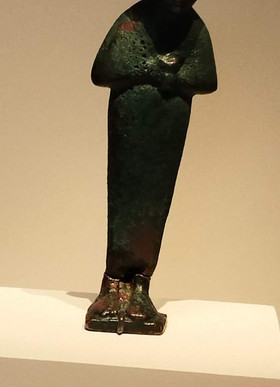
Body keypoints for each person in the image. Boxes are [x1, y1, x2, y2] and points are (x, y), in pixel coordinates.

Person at [86, 0, 217, 335]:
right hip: (131, 120)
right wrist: (153, 71)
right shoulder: (132, 22)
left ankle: (140, 285)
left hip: (168, 124)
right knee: (125, 200)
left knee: (154, 204)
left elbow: (206, 78)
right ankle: (113, 283)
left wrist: (172, 76)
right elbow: (103, 71)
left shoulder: (194, 28)